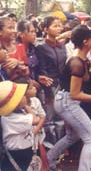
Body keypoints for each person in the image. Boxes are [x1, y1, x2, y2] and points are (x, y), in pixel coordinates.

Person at [47, 25, 91, 170]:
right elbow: (75, 94)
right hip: (68, 102)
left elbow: (81, 77)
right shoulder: (77, 63)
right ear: (86, 41)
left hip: (65, 100)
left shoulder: (79, 58)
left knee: (72, 137)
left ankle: (47, 160)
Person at [35, 16, 66, 145]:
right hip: (49, 85)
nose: (59, 28)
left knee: (62, 117)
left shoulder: (62, 46)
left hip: (63, 84)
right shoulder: (41, 47)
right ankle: (51, 146)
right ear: (46, 29)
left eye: (60, 25)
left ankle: (61, 145)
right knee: (50, 117)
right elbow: (42, 69)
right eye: (55, 26)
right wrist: (49, 88)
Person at [0, 80, 37, 171]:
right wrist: (27, 107)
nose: (25, 97)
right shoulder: (14, 119)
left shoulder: (7, 116)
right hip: (19, 154)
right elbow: (36, 120)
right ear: (16, 103)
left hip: (18, 153)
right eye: (22, 96)